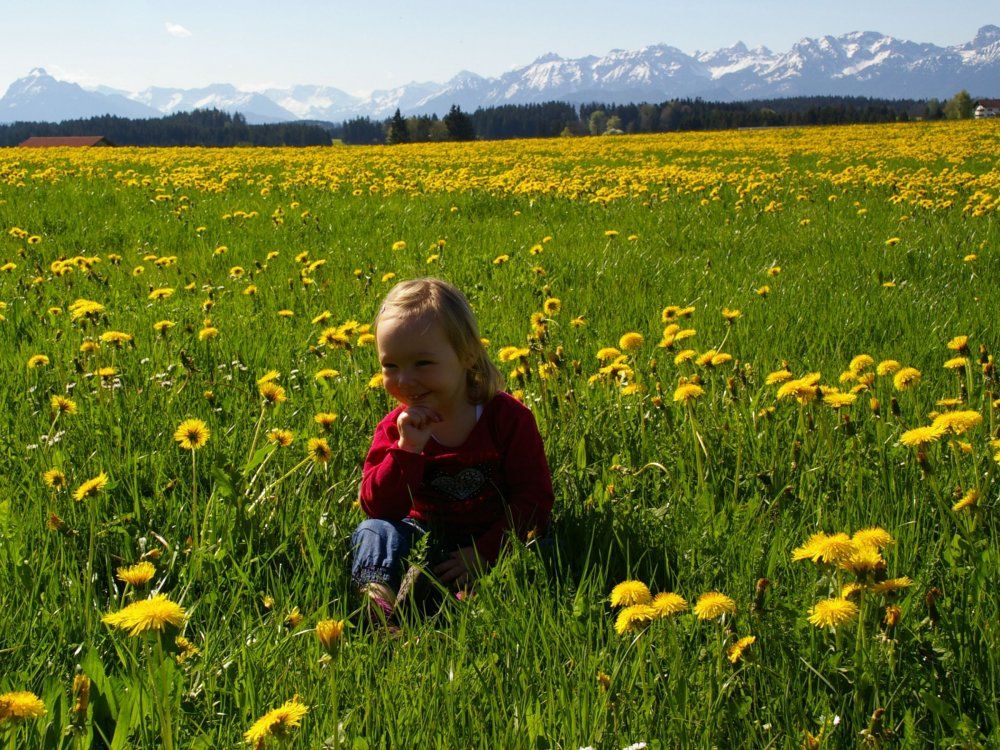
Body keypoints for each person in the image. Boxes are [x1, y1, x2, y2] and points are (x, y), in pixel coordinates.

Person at [351, 277, 553, 624]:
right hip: (423, 533)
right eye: (390, 366)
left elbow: (533, 498)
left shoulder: (506, 419)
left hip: (492, 533)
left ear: (467, 354)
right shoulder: (395, 429)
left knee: (544, 547)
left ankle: (464, 597)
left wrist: (485, 552)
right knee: (373, 532)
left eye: (423, 364)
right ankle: (378, 602)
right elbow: (377, 507)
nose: (404, 380)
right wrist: (407, 449)